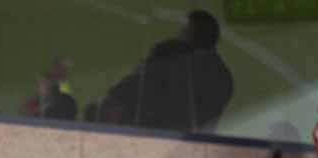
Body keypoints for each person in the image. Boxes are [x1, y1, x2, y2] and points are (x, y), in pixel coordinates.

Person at [99, 10, 233, 133]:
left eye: (186, 30)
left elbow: (118, 99)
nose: (182, 34)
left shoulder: (174, 62)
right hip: (193, 145)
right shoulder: (223, 76)